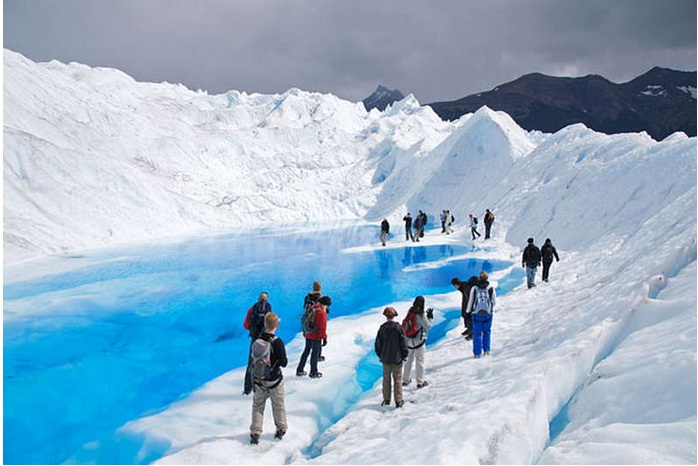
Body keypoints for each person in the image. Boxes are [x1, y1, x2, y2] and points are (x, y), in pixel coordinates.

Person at [249, 312, 288, 444]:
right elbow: (283, 362)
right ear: (276, 325)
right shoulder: (277, 342)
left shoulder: (257, 341)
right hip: (274, 379)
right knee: (278, 404)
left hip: (259, 379)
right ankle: (281, 428)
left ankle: (255, 432)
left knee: (258, 405)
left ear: (265, 325)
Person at [375, 306, 408, 408]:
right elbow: (403, 343)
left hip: (385, 359)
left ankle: (386, 399)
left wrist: (381, 355)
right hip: (397, 358)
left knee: (386, 380)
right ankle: (398, 400)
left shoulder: (382, 328)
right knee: (397, 379)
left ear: (385, 316)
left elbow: (378, 345)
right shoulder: (398, 328)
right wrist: (404, 354)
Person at [243, 292, 272, 395]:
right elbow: (271, 325)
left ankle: (247, 389)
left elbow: (246, 325)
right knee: (266, 362)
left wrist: (253, 330)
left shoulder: (252, 309)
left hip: (255, 339)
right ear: (267, 299)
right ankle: (265, 388)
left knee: (251, 363)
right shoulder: (268, 309)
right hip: (265, 339)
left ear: (258, 299)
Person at [401, 296, 433, 389]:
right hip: (418, 341)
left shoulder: (410, 311)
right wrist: (430, 317)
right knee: (419, 361)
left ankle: (406, 380)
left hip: (408, 341)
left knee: (408, 361)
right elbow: (428, 326)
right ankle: (420, 382)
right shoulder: (421, 314)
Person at [296, 296, 330, 378]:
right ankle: (313, 372)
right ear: (325, 304)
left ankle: (300, 370)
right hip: (316, 336)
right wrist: (324, 338)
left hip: (308, 333)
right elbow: (322, 327)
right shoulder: (321, 313)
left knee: (306, 351)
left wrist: (305, 331)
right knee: (314, 354)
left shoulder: (313, 307)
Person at [466, 271, 497, 358]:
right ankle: (486, 350)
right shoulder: (490, 288)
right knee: (487, 332)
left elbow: (471, 301)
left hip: (476, 313)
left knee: (477, 333)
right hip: (488, 313)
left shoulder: (475, 288)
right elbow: (494, 302)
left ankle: (477, 353)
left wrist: (468, 311)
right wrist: (489, 308)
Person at [303, 281, 326, 362]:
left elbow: (305, 307)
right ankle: (318, 356)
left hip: (308, 321)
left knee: (308, 345)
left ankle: (301, 366)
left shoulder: (308, 297)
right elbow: (325, 310)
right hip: (318, 320)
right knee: (318, 339)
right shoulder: (321, 297)